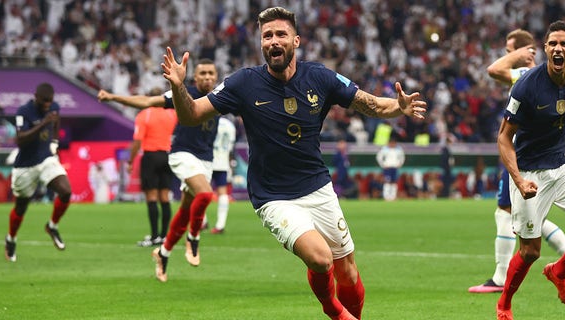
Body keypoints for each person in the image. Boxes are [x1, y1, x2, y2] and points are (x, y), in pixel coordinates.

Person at [160, 7, 427, 319]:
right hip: (273, 196)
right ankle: (335, 312)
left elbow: (369, 103)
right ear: (261, 44)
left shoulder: (320, 77)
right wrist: (179, 86)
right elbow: (190, 115)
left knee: (349, 273)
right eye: (267, 36)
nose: (274, 41)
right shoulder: (243, 83)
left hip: (317, 187)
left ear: (296, 40)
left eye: (280, 34)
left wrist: (399, 106)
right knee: (321, 259)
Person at [495, 21, 565, 320]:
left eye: (563, 44)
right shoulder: (526, 86)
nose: (557, 49)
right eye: (552, 44)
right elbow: (504, 137)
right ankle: (504, 303)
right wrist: (517, 180)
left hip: (561, 164)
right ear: (545, 49)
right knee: (530, 251)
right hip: (529, 171)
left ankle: (559, 273)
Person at [470, 28, 565, 294]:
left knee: (507, 213)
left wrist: (518, 52)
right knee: (528, 219)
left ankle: (501, 278)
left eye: (509, 50)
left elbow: (493, 70)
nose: (507, 55)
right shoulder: (538, 78)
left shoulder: (526, 74)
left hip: (524, 155)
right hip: (522, 151)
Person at [98, 58, 220, 282]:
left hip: (206, 160)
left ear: (216, 75)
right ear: (195, 76)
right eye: (202, 73)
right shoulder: (182, 91)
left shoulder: (222, 95)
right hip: (182, 154)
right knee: (205, 194)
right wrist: (113, 97)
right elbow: (147, 101)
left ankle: (163, 252)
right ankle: (193, 238)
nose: (207, 77)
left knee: (185, 209)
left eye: (211, 73)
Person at [5, 83, 72, 262]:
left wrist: (55, 141)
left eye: (50, 101)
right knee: (21, 207)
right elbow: (20, 139)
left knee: (66, 192)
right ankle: (10, 239)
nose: (47, 105)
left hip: (46, 160)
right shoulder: (24, 111)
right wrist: (44, 123)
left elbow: (56, 120)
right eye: (44, 101)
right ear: (36, 96)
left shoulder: (53, 107)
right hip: (25, 166)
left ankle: (52, 226)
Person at [128, 102, 178, 246]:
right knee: (164, 197)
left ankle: (154, 236)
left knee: (151, 197)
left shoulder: (145, 115)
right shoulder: (171, 114)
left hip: (150, 156)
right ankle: (165, 236)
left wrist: (131, 161)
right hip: (167, 156)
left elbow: (137, 140)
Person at [201, 115, 237, 234]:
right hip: (223, 162)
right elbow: (231, 146)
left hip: (208, 161)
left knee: (201, 192)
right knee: (223, 193)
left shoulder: (208, 121)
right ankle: (220, 225)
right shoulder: (229, 125)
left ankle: (203, 221)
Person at [375, 135, 405, 201]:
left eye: (394, 143)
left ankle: (393, 197)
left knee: (394, 182)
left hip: (395, 167)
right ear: (388, 143)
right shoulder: (384, 149)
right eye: (391, 143)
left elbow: (402, 157)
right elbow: (379, 157)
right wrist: (382, 165)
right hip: (387, 168)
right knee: (387, 182)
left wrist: (400, 164)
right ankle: (386, 197)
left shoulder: (399, 149)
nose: (392, 144)